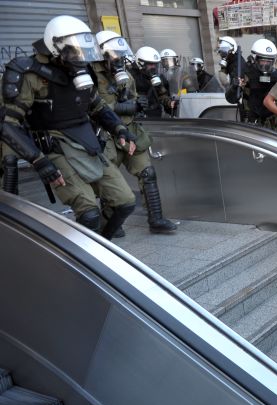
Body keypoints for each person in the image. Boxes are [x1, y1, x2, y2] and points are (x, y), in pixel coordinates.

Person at [0, 15, 136, 239]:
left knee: (125, 203)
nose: (79, 56)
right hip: (54, 146)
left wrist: (120, 130)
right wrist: (39, 161)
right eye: (72, 50)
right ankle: (85, 260)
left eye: (81, 49)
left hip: (87, 142)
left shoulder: (83, 69)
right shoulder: (30, 73)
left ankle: (102, 245)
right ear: (55, 47)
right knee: (89, 213)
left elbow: (98, 107)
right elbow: (8, 125)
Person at [94, 31, 177, 237]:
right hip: (105, 133)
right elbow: (97, 106)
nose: (119, 58)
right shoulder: (91, 76)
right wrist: (127, 106)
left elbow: (132, 99)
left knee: (147, 173)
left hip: (129, 130)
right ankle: (111, 222)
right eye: (115, 54)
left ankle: (156, 219)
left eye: (121, 54)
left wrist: (138, 105)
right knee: (109, 179)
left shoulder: (126, 75)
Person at [226, 39, 277, 124]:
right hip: (251, 121)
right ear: (255, 59)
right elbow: (231, 99)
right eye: (263, 61)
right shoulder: (245, 73)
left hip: (272, 121)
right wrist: (235, 87)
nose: (266, 64)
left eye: (269, 62)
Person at [129, 46, 176, 117]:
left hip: (155, 115)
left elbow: (162, 94)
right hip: (138, 117)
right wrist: (136, 101)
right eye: (150, 64)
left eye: (155, 64)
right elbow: (125, 97)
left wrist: (169, 103)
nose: (153, 67)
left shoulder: (157, 77)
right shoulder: (131, 77)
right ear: (141, 63)